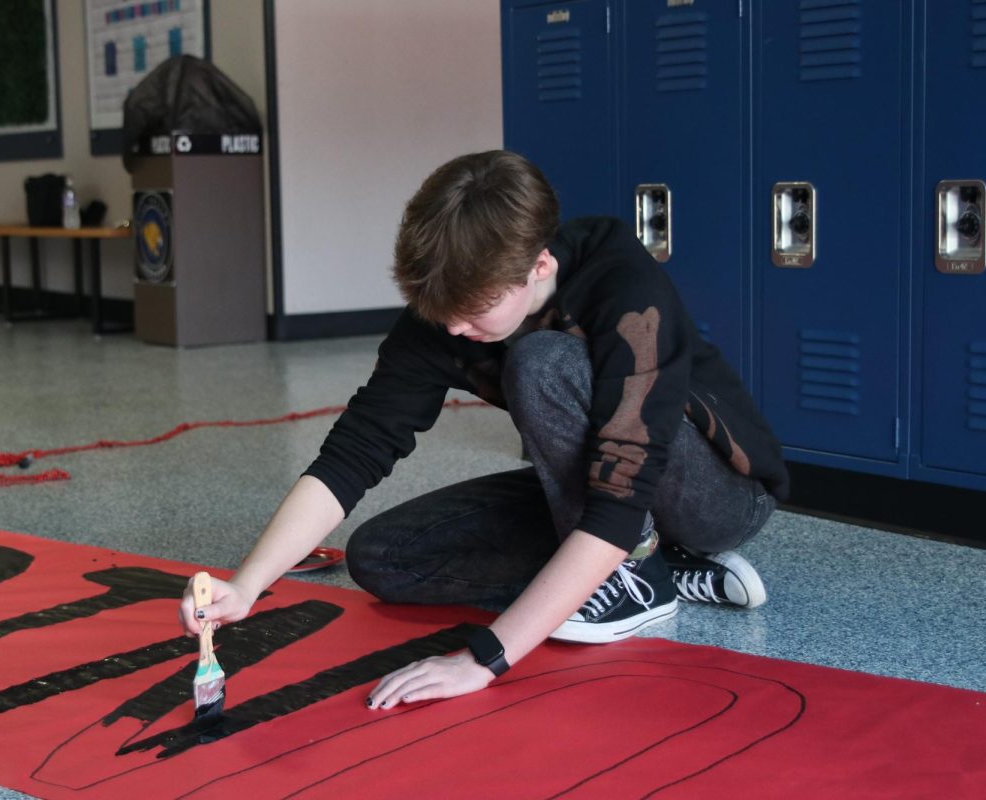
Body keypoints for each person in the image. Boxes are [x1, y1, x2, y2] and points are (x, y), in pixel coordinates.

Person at [178, 150, 788, 711]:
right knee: (383, 558)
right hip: (605, 494)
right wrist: (248, 584)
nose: (453, 328)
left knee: (542, 363)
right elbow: (355, 452)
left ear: (539, 265)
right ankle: (661, 568)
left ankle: (638, 574)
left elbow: (619, 497)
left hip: (715, 499)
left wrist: (484, 659)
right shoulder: (447, 311)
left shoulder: (625, 293)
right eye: (440, 311)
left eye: (473, 312)